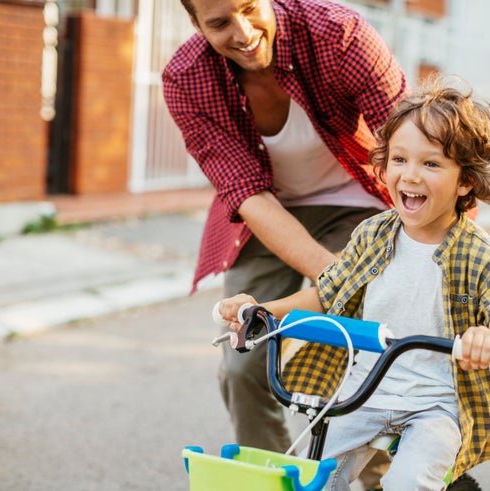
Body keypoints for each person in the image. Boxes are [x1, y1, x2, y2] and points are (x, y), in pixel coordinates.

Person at [216, 74, 490, 490]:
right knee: (317, 479)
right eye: (399, 159)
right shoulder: (373, 234)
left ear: (466, 181)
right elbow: (329, 293)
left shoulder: (480, 256)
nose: (410, 175)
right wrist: (262, 313)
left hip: (434, 404)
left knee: (408, 483)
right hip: (363, 390)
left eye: (431, 163)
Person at [162, 0, 406, 478]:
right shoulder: (187, 77)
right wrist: (336, 276)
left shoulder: (340, 36)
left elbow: (412, 146)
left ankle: (382, 479)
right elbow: (247, 194)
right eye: (219, 23)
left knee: (353, 350)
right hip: (266, 215)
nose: (243, 31)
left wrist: (444, 247)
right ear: (195, 25)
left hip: (361, 203)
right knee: (243, 362)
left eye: (249, 8)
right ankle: (282, 481)